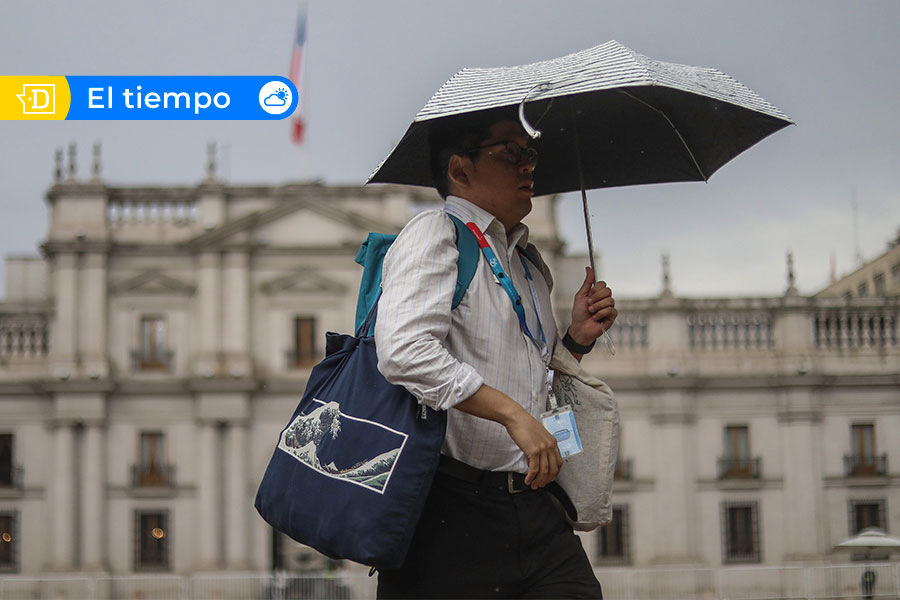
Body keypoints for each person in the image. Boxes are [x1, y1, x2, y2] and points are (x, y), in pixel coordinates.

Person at [374, 110, 617, 599]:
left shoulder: (528, 263)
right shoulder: (434, 232)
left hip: (534, 505)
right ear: (460, 170)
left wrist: (575, 341)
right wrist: (512, 417)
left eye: (530, 153)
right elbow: (403, 351)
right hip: (449, 511)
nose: (529, 166)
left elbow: (535, 381)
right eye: (510, 153)